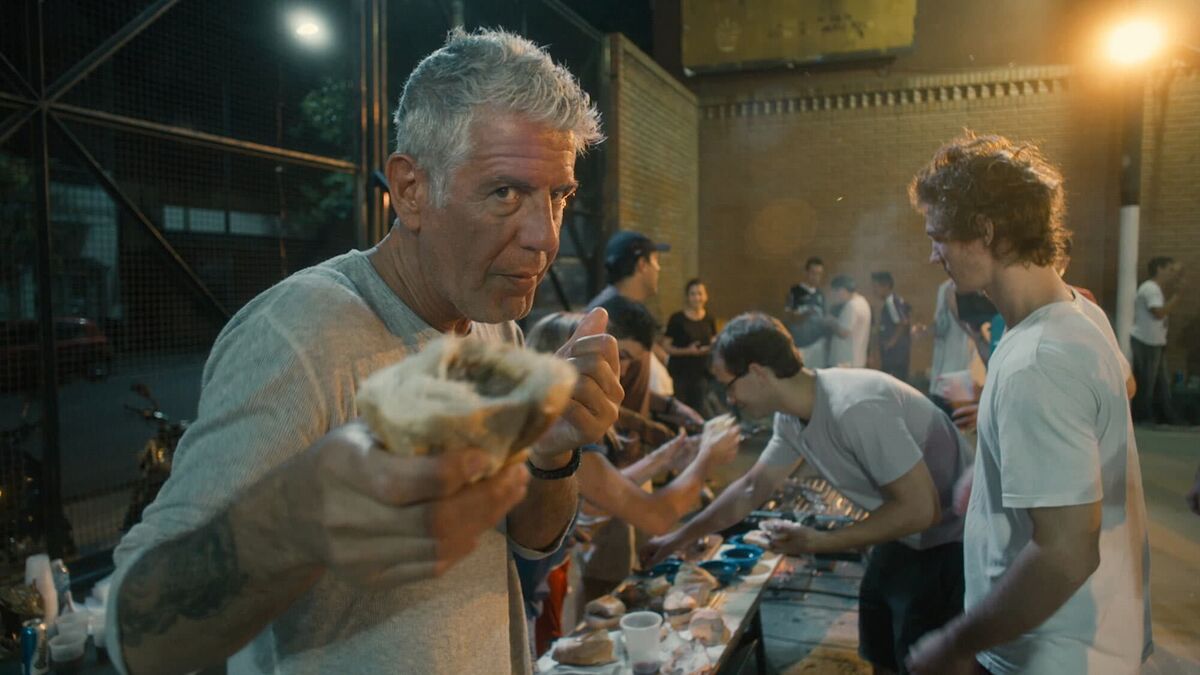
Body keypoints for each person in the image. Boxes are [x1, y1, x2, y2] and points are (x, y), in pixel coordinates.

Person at [106, 30, 624, 675]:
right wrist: (291, 522)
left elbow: (529, 545)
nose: (544, 237)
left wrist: (552, 451)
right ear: (409, 189)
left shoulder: (493, 328)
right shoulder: (298, 334)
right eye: (505, 194)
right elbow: (136, 638)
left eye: (559, 195)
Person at [906, 132, 1151, 675]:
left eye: (939, 235)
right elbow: (1118, 391)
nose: (933, 254)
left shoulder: (1036, 360)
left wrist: (954, 643)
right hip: (1096, 637)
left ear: (986, 231)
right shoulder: (1079, 314)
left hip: (1053, 656)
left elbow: (1066, 553)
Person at [642, 313, 971, 675]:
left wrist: (818, 540)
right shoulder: (790, 417)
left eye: (730, 385)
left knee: (921, 660)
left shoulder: (854, 406)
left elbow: (923, 510)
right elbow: (752, 487)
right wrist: (677, 538)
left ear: (758, 372)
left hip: (953, 544)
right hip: (906, 539)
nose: (730, 399)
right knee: (880, 645)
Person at [587, 231, 704, 433]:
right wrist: (651, 432)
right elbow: (598, 398)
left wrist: (671, 407)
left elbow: (630, 390)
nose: (659, 269)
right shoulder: (606, 319)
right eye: (656, 261)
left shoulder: (630, 316)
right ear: (642, 265)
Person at [1130, 256, 1183, 424]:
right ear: (1159, 269)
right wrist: (1177, 298)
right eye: (1169, 270)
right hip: (1146, 341)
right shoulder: (1150, 288)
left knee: (1161, 382)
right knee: (1147, 381)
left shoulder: (1155, 289)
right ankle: (1143, 417)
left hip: (1155, 342)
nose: (1171, 274)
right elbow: (1158, 313)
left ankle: (1166, 416)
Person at [663, 278, 718, 414]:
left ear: (705, 296)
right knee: (681, 411)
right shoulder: (677, 319)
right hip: (680, 374)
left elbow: (714, 340)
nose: (697, 297)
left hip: (701, 373)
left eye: (700, 293)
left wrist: (711, 348)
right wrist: (688, 351)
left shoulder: (709, 319)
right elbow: (666, 346)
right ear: (687, 297)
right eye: (693, 294)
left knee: (699, 410)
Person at [928, 280, 983, 402]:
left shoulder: (954, 288)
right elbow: (940, 325)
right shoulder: (946, 287)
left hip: (959, 371)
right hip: (948, 370)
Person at [785, 256, 830, 368]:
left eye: (819, 274)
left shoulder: (820, 294)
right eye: (813, 273)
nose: (816, 277)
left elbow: (824, 318)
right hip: (801, 345)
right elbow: (788, 317)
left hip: (817, 345)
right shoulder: (795, 291)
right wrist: (805, 315)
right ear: (806, 272)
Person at [871, 271, 912, 382]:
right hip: (899, 354)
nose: (874, 290)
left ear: (886, 286)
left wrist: (890, 343)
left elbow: (902, 322)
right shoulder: (896, 300)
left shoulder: (891, 302)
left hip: (895, 356)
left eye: (876, 287)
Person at [827, 274, 871, 368]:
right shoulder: (863, 302)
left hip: (845, 361)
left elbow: (843, 332)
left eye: (835, 293)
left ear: (842, 290)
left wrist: (830, 321)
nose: (835, 297)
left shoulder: (851, 306)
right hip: (857, 360)